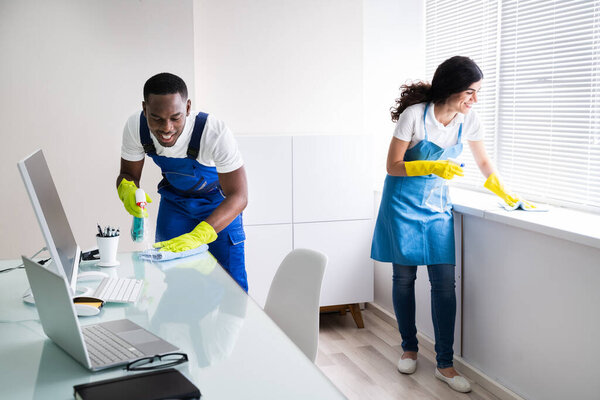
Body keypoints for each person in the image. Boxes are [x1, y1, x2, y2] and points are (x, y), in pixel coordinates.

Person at [371, 56, 533, 393]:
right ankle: (409, 347)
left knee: (445, 284)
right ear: (451, 88)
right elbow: (393, 165)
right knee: (404, 278)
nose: (475, 100)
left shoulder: (468, 120)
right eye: (470, 93)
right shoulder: (414, 116)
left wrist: (505, 192)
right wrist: (432, 168)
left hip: (436, 208)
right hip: (402, 203)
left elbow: (483, 160)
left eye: (476, 93)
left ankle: (444, 363)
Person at [117, 72, 248, 291]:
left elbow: (239, 196)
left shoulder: (213, 133)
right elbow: (128, 175)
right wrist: (128, 191)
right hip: (175, 204)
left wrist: (200, 235)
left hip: (220, 205)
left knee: (230, 284)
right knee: (175, 279)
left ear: (187, 108)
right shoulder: (136, 128)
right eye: (156, 118)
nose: (166, 128)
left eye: (175, 117)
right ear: (144, 108)